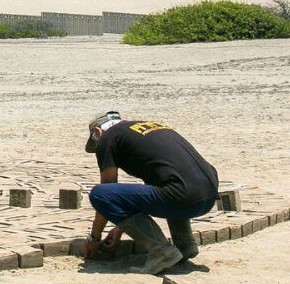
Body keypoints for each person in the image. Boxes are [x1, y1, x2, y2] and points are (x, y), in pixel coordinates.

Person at [81, 111, 218, 276]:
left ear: (97, 132)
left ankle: (162, 251)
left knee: (99, 194)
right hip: (208, 196)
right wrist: (120, 228)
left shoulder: (107, 137)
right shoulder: (147, 128)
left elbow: (107, 190)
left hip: (184, 198)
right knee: (168, 183)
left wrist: (94, 237)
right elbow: (155, 187)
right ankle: (185, 245)